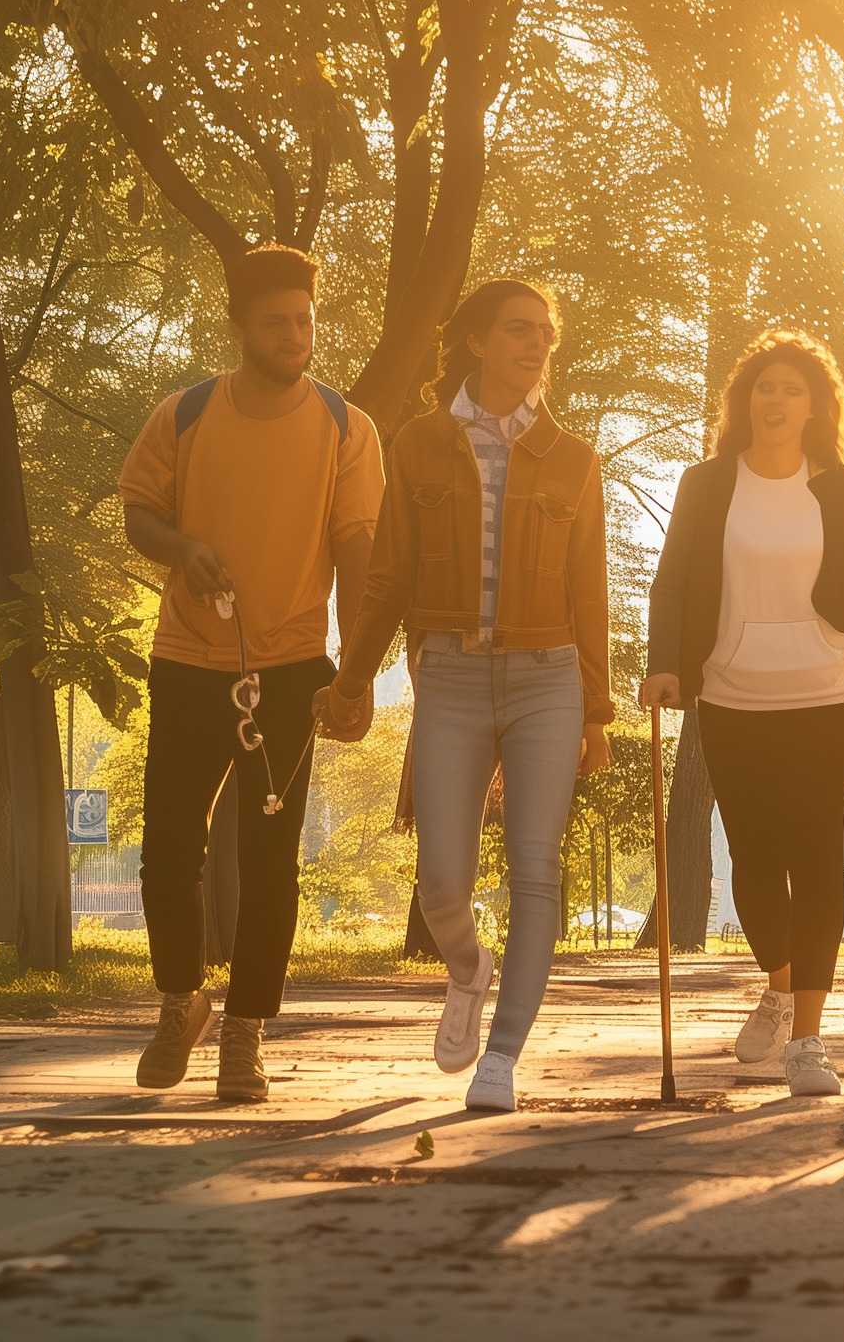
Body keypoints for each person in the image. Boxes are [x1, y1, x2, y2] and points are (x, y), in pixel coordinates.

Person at [319, 278, 614, 1115]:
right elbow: (387, 579)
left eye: (546, 336)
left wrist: (597, 711)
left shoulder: (575, 458)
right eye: (519, 331)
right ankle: (467, 969)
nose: (536, 346)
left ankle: (504, 1058)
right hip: (447, 673)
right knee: (441, 880)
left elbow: (589, 596)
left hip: (547, 677)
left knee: (535, 870)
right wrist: (351, 680)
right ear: (478, 340)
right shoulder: (416, 444)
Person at [123, 244, 384, 1104]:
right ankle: (180, 1002)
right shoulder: (186, 414)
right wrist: (183, 548)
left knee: (271, 862)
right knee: (168, 850)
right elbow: (140, 514)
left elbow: (356, 550)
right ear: (238, 324)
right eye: (276, 321)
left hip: (290, 668)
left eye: (305, 320)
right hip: (187, 660)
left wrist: (356, 674)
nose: (294, 335)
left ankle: (246, 1032)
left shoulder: (348, 428)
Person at [644, 329, 844, 1098]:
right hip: (733, 687)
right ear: (743, 401)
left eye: (792, 388)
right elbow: (674, 578)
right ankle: (779, 985)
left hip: (832, 688)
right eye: (764, 386)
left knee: (815, 852)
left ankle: (809, 1038)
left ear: (817, 406)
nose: (776, 399)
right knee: (752, 858)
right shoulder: (707, 483)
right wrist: (664, 663)